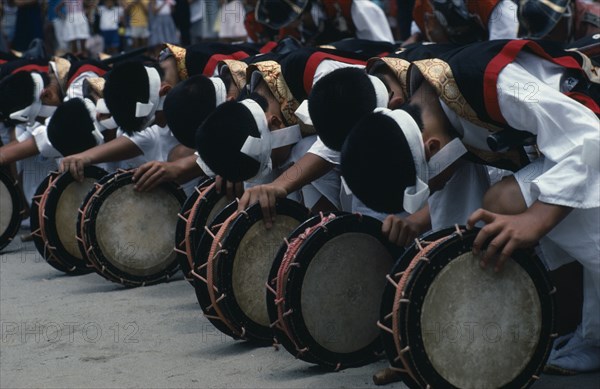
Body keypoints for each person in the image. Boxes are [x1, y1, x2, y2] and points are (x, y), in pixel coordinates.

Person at [339, 39, 600, 374]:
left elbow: (588, 139)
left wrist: (535, 220)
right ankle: (588, 329)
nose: (434, 191)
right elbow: (456, 224)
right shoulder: (435, 108)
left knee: (511, 202)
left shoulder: (500, 84)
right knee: (505, 203)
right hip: (574, 145)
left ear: (431, 148)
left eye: (429, 185)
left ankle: (593, 336)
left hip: (592, 134)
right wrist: (430, 344)